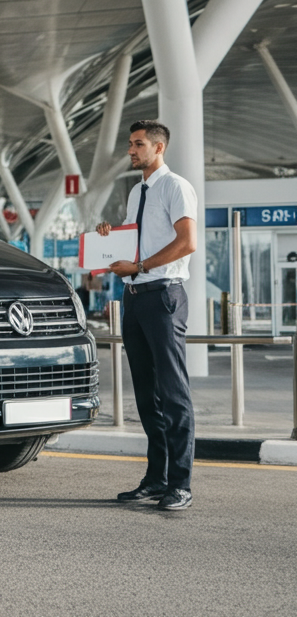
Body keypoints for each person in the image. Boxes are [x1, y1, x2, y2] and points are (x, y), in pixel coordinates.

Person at [95, 120, 198, 511]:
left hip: (163, 297)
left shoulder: (175, 186)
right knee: (147, 397)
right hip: (135, 298)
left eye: (138, 144)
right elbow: (136, 242)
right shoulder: (138, 191)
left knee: (173, 394)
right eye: (130, 144)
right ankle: (156, 479)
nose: (131, 150)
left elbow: (186, 242)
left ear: (158, 148)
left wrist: (138, 267)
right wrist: (110, 236)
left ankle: (181, 484)